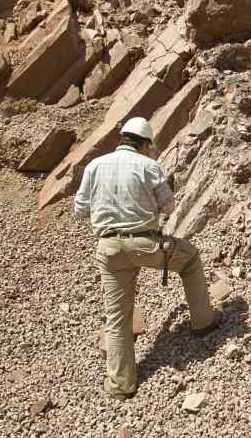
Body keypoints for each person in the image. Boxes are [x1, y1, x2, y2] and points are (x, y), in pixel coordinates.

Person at [74, 116, 221, 401]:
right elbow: (169, 207)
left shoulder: (94, 166)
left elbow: (80, 209)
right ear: (143, 144)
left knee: (117, 318)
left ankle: (121, 385)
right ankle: (203, 322)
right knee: (190, 259)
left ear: (123, 139)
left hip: (109, 249)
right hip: (146, 244)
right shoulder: (147, 165)